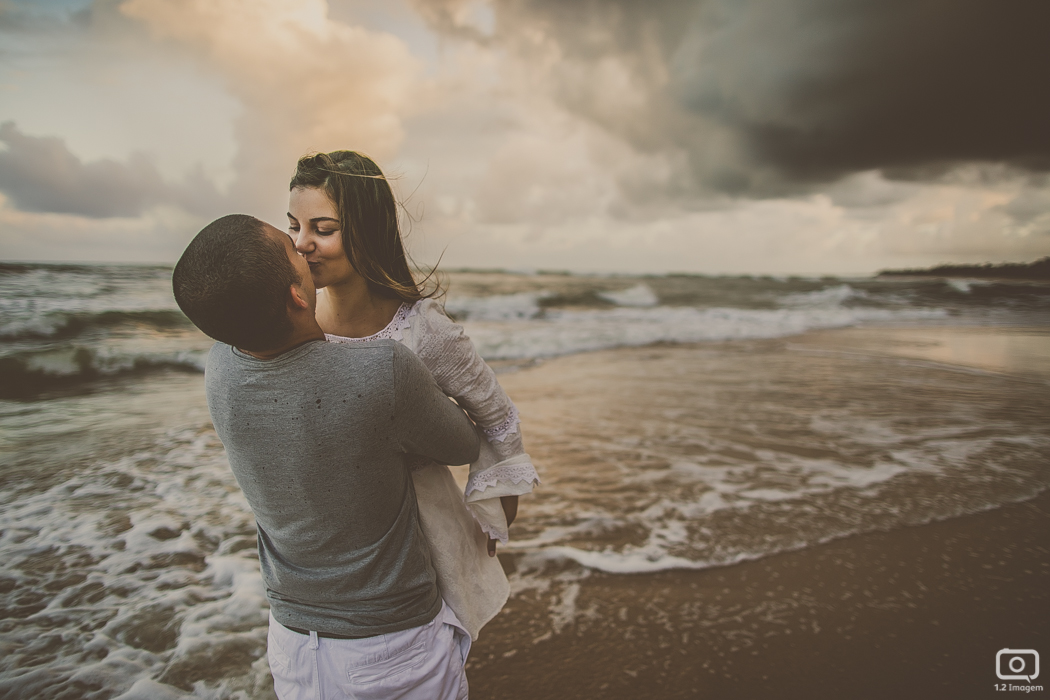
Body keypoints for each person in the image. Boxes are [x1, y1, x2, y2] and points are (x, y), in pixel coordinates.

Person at [172, 214, 480, 699]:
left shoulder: (220, 370)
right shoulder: (383, 372)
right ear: (297, 296)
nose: (304, 246)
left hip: (293, 644)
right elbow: (464, 444)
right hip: (392, 647)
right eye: (291, 246)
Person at [286, 150, 540, 641]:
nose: (302, 244)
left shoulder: (420, 328)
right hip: (334, 547)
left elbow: (496, 413)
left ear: (368, 230)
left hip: (423, 533)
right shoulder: (293, 323)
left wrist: (497, 498)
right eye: (294, 226)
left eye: (323, 228)